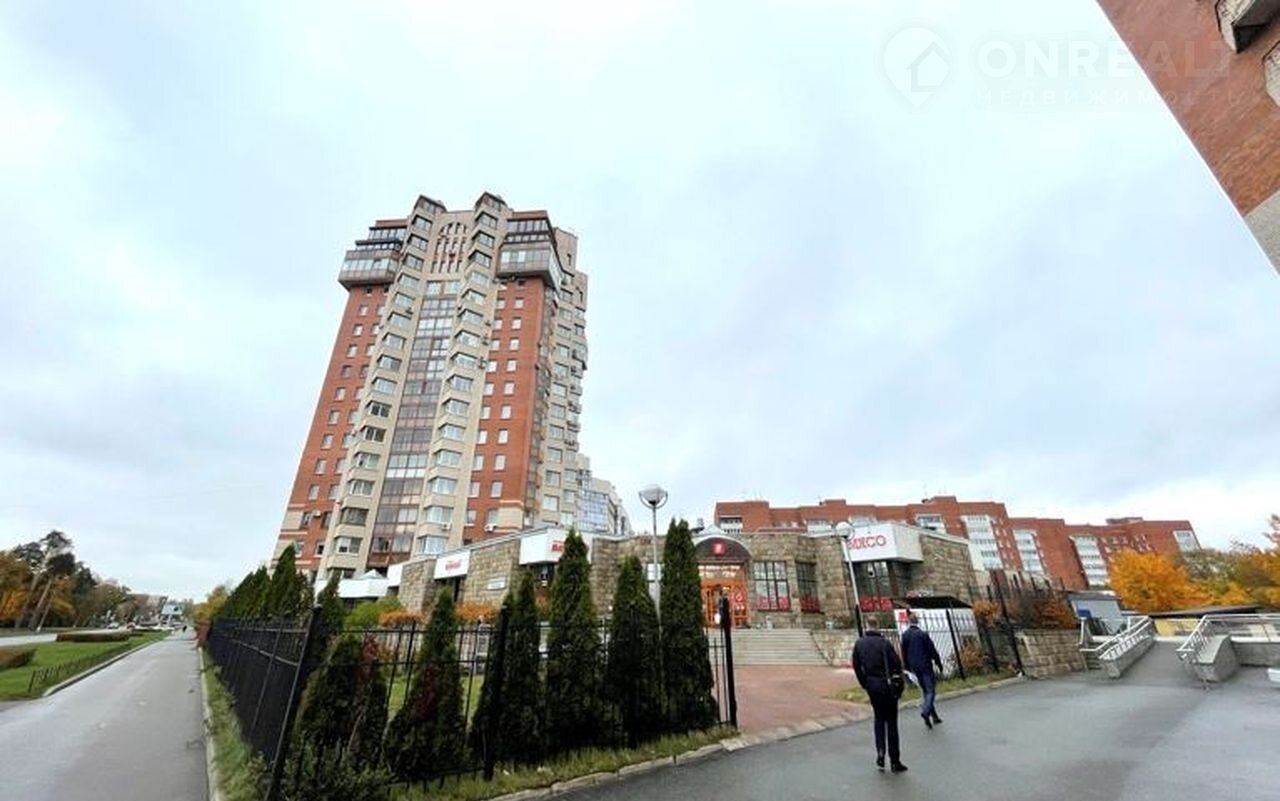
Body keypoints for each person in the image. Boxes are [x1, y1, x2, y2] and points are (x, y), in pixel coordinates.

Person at [851, 623, 907, 773]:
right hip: (887, 685)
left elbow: (856, 665)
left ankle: (880, 753)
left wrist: (864, 682)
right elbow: (896, 664)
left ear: (867, 627)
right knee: (891, 722)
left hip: (872, 685)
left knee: (879, 719)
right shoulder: (885, 644)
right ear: (877, 628)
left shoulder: (859, 644)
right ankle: (894, 760)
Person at [901, 612, 945, 729]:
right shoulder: (923, 634)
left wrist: (907, 667)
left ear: (909, 622)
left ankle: (934, 716)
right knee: (930, 691)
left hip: (914, 667)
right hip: (925, 665)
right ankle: (926, 712)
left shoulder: (905, 635)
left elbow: (904, 652)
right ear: (917, 621)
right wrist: (938, 663)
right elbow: (932, 650)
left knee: (925, 691)